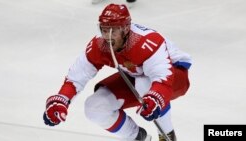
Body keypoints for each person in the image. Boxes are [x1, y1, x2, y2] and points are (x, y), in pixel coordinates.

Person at [43, 3, 191, 141]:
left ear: (126, 29)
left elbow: (162, 78)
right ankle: (138, 137)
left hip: (176, 76)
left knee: (145, 84)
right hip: (137, 76)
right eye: (105, 29)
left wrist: (156, 98)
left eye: (113, 31)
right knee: (95, 107)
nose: (107, 36)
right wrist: (62, 99)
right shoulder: (98, 45)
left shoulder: (146, 42)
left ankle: (167, 136)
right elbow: (75, 78)